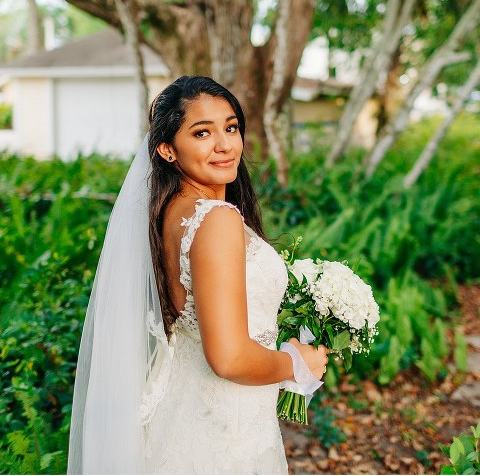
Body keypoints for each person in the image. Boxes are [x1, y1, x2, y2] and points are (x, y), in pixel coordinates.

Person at [67, 76, 329, 475]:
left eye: (231, 127)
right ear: (168, 149)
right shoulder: (216, 219)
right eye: (202, 132)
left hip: (181, 412)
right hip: (223, 430)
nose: (225, 145)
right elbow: (228, 357)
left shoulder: (167, 212)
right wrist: (297, 363)